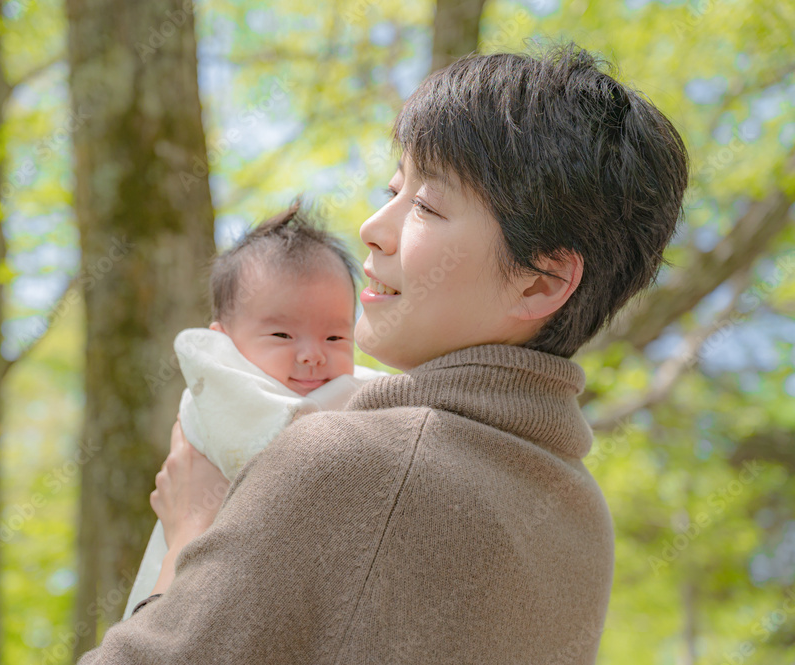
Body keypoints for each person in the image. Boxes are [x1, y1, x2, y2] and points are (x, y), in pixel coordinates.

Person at [79, 43, 688, 664]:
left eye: (426, 205)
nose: (373, 225)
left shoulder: (354, 463)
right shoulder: (581, 517)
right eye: (394, 189)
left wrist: (186, 539)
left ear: (540, 281)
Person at [123, 202, 388, 616]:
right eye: (283, 334)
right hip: (197, 591)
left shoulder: (359, 389)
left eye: (335, 337)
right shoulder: (224, 389)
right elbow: (278, 456)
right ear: (224, 341)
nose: (312, 355)